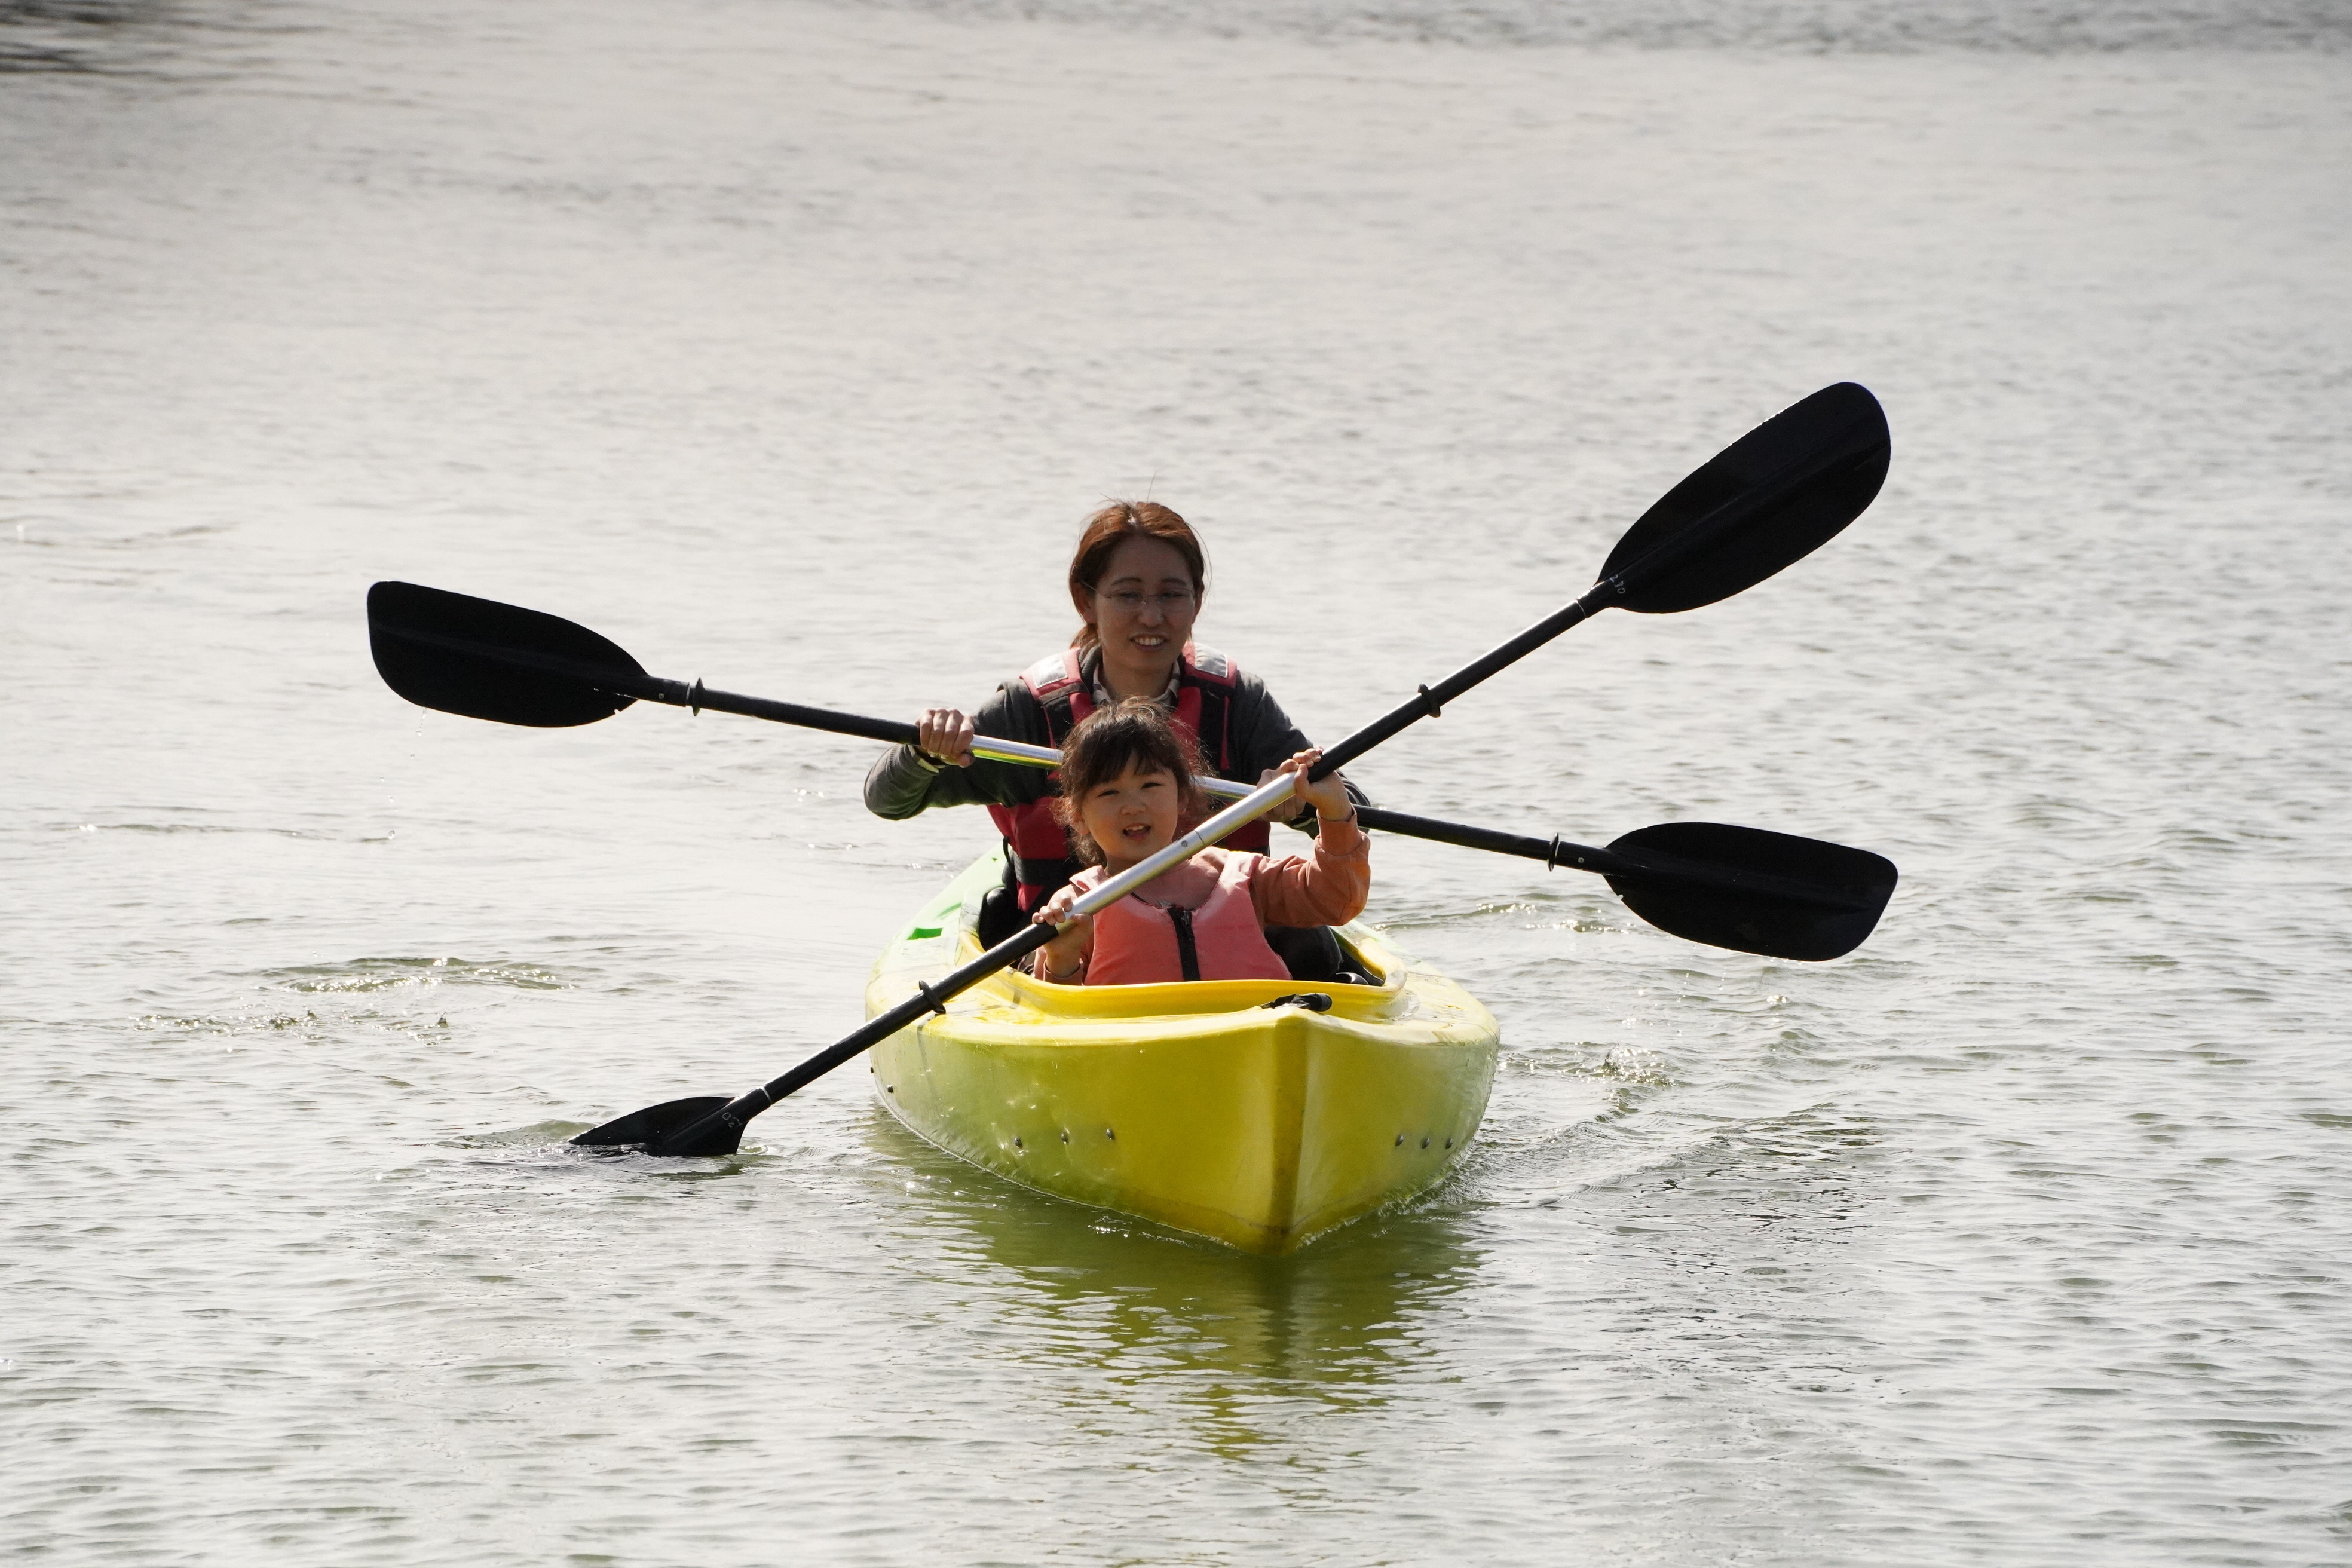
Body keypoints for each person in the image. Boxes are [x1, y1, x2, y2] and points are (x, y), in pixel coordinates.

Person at [862, 500, 1364, 939]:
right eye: (1128, 595)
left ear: (1197, 602)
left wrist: (1301, 801)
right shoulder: (1031, 711)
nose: (1151, 616)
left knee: (1310, 946)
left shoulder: (1237, 703)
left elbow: (1354, 807)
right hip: (1067, 957)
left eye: (1171, 594)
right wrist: (924, 753)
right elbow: (888, 801)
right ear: (1086, 602)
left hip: (1226, 944)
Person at [1023, 700, 1366, 985]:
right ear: (1078, 816)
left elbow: (1338, 901)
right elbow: (1058, 1019)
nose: (1133, 806)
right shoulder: (1077, 905)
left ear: (1182, 797)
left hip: (1250, 1035)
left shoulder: (1245, 875)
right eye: (1110, 792)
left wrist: (1335, 812)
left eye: (1150, 786)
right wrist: (1061, 957)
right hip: (1136, 1051)